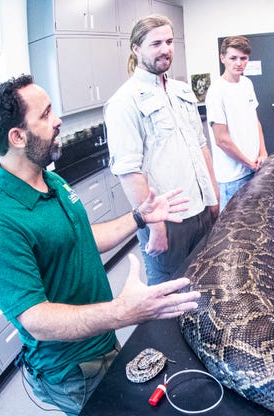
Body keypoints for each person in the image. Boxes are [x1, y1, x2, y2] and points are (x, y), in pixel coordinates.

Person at [0, 75, 201, 416]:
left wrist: (140, 218)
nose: (58, 119)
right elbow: (36, 319)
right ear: (17, 137)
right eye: (46, 115)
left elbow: (83, 237)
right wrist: (120, 312)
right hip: (71, 369)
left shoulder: (50, 181)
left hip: (102, 340)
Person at [104, 14, 220, 285]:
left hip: (200, 209)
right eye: (155, 43)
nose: (166, 49)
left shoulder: (182, 90)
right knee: (171, 294)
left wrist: (213, 195)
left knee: (207, 281)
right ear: (136, 48)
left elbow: (201, 146)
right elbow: (129, 171)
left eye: (169, 41)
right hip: (168, 221)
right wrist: (156, 227)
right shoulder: (124, 102)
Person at [206, 35, 268, 210]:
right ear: (222, 58)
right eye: (233, 58)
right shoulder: (216, 91)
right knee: (233, 231)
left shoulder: (247, 84)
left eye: (243, 58)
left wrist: (263, 153)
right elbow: (221, 140)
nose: (239, 63)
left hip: (255, 168)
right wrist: (249, 164)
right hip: (233, 177)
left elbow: (256, 123)